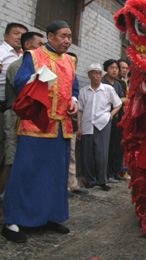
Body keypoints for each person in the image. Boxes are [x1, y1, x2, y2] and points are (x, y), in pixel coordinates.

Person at [1, 20, 79, 243]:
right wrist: (39, 78)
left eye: (70, 37)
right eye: (63, 36)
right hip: (36, 124)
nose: (67, 41)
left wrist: (74, 100)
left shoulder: (71, 60)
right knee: (26, 172)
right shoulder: (33, 56)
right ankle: (12, 220)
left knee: (56, 174)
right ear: (51, 36)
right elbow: (21, 82)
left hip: (61, 126)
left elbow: (74, 87)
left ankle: (49, 216)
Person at [0, 32, 44, 202]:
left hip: (31, 118)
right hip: (16, 116)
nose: (42, 48)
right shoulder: (17, 66)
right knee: (11, 160)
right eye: (39, 44)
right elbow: (26, 93)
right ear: (28, 45)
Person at [78, 63, 122, 191]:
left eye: (99, 74)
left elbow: (118, 104)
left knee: (101, 153)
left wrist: (110, 115)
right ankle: (90, 180)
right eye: (94, 73)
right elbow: (80, 110)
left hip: (103, 123)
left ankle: (103, 180)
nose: (97, 76)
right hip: (87, 124)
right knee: (87, 154)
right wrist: (79, 127)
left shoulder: (108, 89)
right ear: (89, 75)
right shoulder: (84, 91)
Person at [0, 23, 28, 194]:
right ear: (5, 36)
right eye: (16, 33)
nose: (19, 37)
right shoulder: (2, 53)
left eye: (22, 35)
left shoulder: (23, 57)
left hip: (14, 106)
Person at [65, 52, 88, 196]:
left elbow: (78, 105)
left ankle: (73, 184)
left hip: (70, 123)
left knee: (71, 154)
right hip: (57, 122)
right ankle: (63, 186)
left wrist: (78, 126)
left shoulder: (74, 79)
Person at [101, 59, 126, 183]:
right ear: (106, 69)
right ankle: (106, 173)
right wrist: (118, 101)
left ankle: (114, 171)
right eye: (112, 68)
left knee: (117, 145)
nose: (115, 70)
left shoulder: (118, 84)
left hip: (117, 118)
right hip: (105, 118)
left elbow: (123, 99)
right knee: (107, 146)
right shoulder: (102, 82)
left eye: (116, 68)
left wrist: (118, 101)